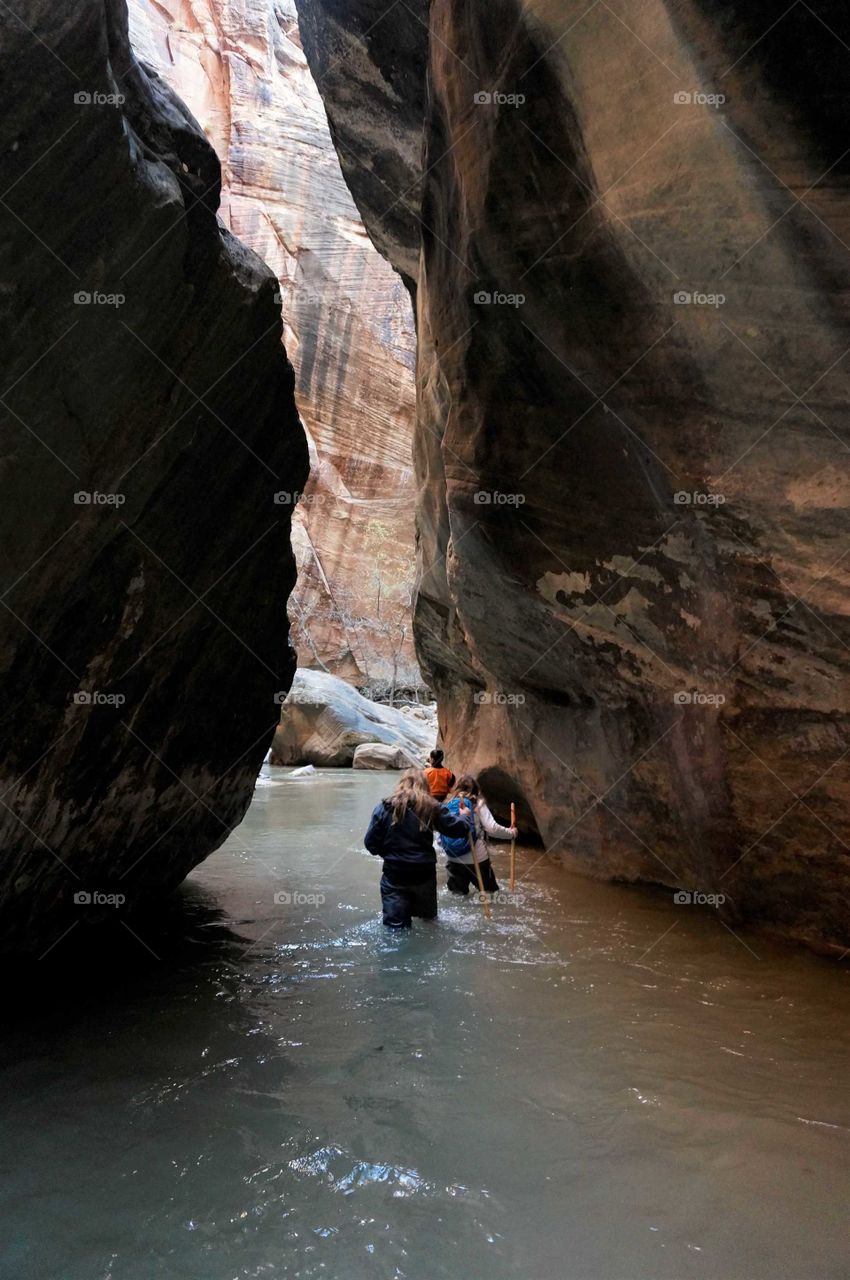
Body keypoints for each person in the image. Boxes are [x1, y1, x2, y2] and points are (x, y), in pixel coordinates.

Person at [364, 768, 472, 929]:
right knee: (428, 922)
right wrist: (465, 816)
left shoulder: (384, 807)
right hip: (424, 873)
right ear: (424, 785)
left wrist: (390, 855)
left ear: (401, 784)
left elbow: (370, 844)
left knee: (396, 928)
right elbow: (458, 829)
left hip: (395, 874)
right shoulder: (433, 807)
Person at [438, 774, 517, 897]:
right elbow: (492, 828)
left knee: (458, 898)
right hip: (477, 860)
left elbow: (441, 834)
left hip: (454, 859)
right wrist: (511, 833)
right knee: (492, 896)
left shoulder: (448, 804)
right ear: (476, 790)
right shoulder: (477, 804)